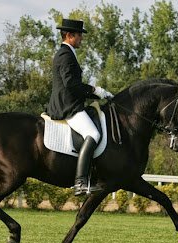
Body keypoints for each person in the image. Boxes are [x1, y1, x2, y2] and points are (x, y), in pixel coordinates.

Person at [46, 18, 113, 195]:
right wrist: (94, 90)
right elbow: (71, 84)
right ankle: (81, 182)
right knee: (93, 133)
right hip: (67, 107)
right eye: (79, 36)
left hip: (71, 103)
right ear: (69, 35)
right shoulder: (65, 55)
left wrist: (98, 93)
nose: (81, 39)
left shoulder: (67, 53)